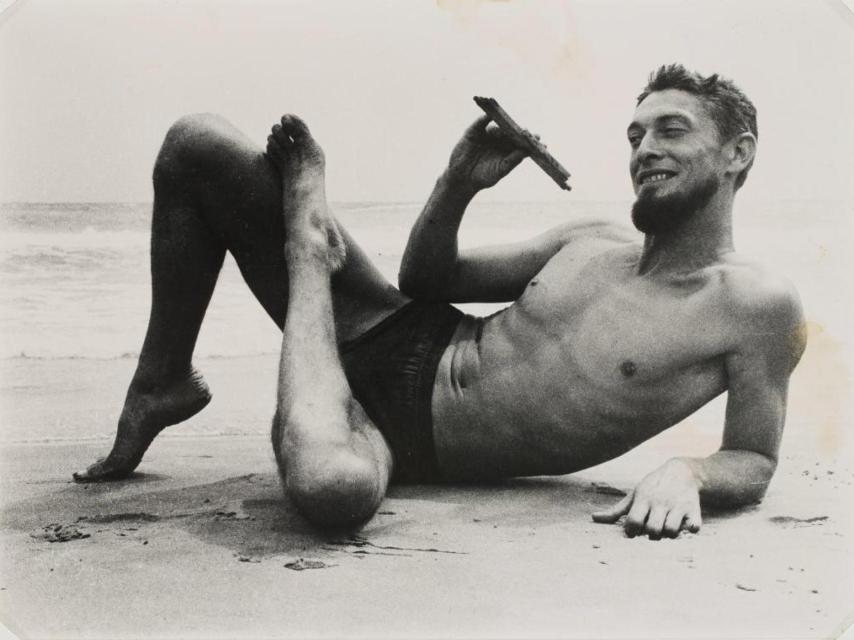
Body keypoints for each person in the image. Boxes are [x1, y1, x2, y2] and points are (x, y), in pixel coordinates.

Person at [74, 64, 806, 540]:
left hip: (398, 441)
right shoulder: (589, 240)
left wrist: (689, 471)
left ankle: (308, 255)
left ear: (737, 152)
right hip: (398, 328)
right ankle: (163, 378)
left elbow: (752, 456)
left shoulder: (755, 305)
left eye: (671, 131)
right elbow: (429, 280)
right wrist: (458, 183)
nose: (644, 150)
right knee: (195, 144)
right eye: (636, 134)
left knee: (332, 490)